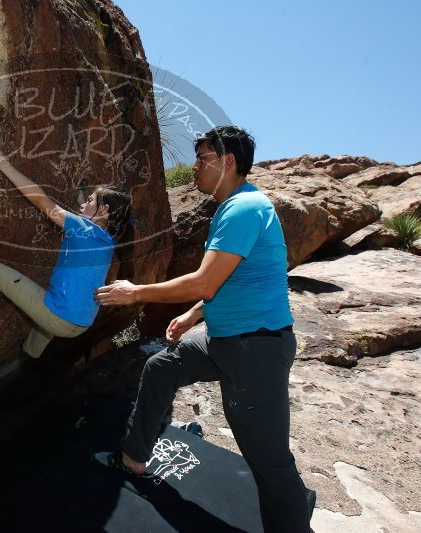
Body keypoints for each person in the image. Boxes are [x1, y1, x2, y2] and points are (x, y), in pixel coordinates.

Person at [93, 126, 313, 532]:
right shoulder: (234, 208)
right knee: (162, 366)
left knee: (270, 463)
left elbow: (205, 280)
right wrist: (194, 315)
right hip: (224, 340)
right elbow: (232, 280)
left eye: (202, 158)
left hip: (255, 352)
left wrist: (135, 292)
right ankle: (133, 458)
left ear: (227, 162)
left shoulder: (245, 209)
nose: (193, 167)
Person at [0, 146, 132, 360]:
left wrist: (0, 162)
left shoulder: (82, 228)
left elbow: (39, 198)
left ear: (104, 210)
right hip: (82, 324)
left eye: (90, 200)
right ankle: (30, 354)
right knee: (53, 301)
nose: (84, 203)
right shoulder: (108, 243)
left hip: (59, 318)